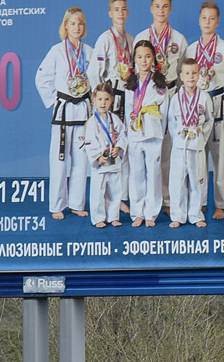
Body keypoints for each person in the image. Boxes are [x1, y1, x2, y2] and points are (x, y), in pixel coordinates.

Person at [35, 6, 94, 220]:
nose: (76, 27)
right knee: (60, 159)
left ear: (84, 27)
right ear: (65, 26)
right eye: (72, 23)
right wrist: (55, 101)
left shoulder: (90, 51)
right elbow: (41, 79)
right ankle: (57, 204)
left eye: (80, 23)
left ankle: (77, 203)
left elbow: (97, 80)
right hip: (63, 112)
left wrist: (94, 106)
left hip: (83, 113)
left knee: (81, 160)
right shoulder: (56, 51)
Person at [184, 1, 224, 220]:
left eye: (211, 18)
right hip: (196, 107)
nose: (207, 22)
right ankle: (200, 201)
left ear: (217, 21)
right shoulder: (191, 49)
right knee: (197, 158)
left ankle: (221, 204)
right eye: (204, 18)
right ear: (199, 20)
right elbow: (185, 79)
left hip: (217, 104)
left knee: (220, 157)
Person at [135, 0, 187, 212]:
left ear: (170, 9)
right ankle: (147, 201)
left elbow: (184, 72)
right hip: (148, 98)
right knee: (148, 151)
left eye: (165, 6)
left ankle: (168, 199)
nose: (161, 10)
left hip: (172, 92)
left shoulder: (179, 39)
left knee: (170, 150)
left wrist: (183, 101)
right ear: (151, 8)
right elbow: (134, 71)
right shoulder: (140, 38)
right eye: (157, 6)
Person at [87, 0, 132, 213]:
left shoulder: (131, 40)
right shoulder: (105, 39)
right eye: (116, 9)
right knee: (108, 140)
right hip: (110, 96)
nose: (120, 13)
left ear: (128, 12)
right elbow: (94, 72)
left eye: (123, 9)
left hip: (127, 95)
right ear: (110, 13)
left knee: (122, 144)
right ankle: (106, 199)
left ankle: (120, 196)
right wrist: (101, 98)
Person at [123, 40, 169, 227]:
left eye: (147, 56)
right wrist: (129, 130)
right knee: (136, 174)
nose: (143, 61)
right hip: (135, 133)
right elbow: (127, 110)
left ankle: (151, 212)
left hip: (153, 133)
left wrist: (161, 130)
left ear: (153, 59)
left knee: (153, 174)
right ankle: (137, 213)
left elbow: (164, 112)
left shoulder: (159, 83)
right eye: (140, 57)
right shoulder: (130, 83)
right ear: (134, 59)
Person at [166, 58, 213, 228]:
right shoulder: (176, 98)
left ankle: (196, 214)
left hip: (197, 144)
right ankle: (178, 216)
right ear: (181, 76)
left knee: (197, 179)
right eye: (187, 73)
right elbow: (171, 122)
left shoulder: (205, 97)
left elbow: (209, 121)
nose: (191, 76)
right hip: (180, 144)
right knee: (177, 180)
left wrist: (200, 137)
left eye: (194, 73)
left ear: (199, 74)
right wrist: (178, 138)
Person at [83, 81, 125, 227]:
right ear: (94, 100)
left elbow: (122, 135)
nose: (103, 103)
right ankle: (98, 218)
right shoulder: (92, 122)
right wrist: (98, 157)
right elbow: (89, 143)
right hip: (101, 163)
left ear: (112, 101)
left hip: (114, 162)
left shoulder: (115, 119)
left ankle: (113, 216)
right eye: (100, 99)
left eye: (107, 99)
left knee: (115, 191)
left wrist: (119, 147)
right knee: (98, 192)